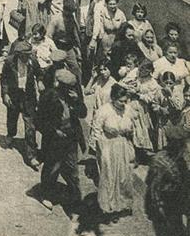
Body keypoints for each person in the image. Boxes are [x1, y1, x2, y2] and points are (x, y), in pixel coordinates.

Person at [36, 68, 87, 211]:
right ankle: (45, 194)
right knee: (52, 168)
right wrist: (55, 131)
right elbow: (39, 121)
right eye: (68, 87)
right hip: (54, 140)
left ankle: (75, 197)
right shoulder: (49, 97)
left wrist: (77, 101)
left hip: (71, 137)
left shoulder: (73, 96)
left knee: (73, 170)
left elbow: (83, 113)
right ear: (60, 85)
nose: (71, 89)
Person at [90, 83, 136, 220]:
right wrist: (98, 150)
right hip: (107, 147)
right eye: (120, 101)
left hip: (122, 145)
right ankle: (109, 207)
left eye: (125, 101)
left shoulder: (128, 109)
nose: (123, 104)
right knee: (109, 177)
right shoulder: (104, 111)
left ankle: (123, 204)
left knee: (124, 176)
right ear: (113, 98)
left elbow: (132, 127)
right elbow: (96, 130)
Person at [0, 39, 39, 168]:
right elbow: (3, 78)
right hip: (14, 95)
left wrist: (41, 82)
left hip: (28, 96)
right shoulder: (10, 62)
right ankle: (11, 135)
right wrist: (5, 94)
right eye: (25, 55)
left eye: (29, 54)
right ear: (18, 54)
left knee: (30, 126)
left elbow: (40, 75)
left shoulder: (33, 61)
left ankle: (31, 155)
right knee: (12, 117)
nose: (27, 57)